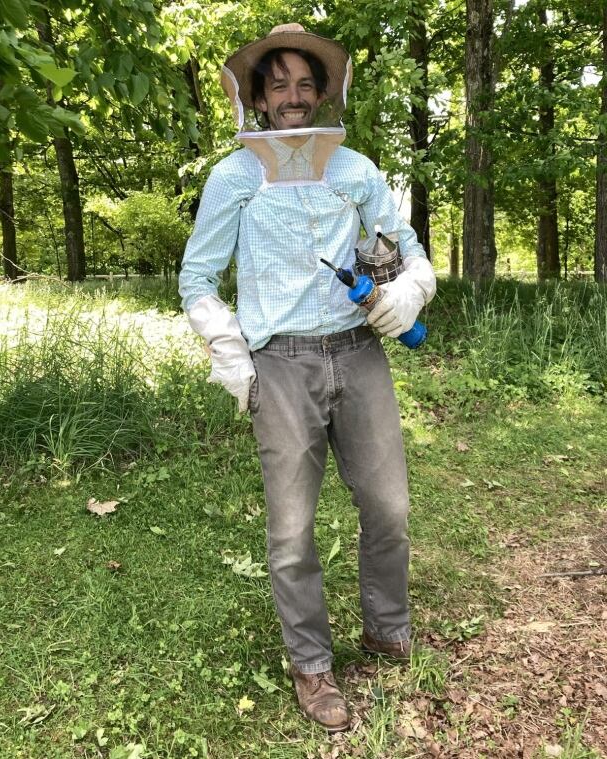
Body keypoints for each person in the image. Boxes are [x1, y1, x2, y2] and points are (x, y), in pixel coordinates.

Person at [178, 23, 436, 732]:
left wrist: (403, 295)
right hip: (281, 362)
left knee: (389, 507)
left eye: (304, 83)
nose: (292, 97)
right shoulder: (235, 176)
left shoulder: (354, 169)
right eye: (278, 84)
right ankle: (311, 664)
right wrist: (231, 352)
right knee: (292, 530)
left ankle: (386, 625)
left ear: (323, 94)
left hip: (359, 352)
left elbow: (408, 252)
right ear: (258, 98)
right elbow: (196, 278)